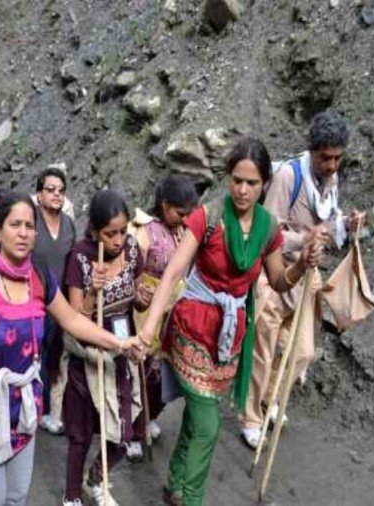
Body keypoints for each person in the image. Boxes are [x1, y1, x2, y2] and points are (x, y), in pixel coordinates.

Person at [137, 137, 324, 506]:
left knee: (196, 416)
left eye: (252, 183)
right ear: (227, 178)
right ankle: (190, 499)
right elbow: (175, 270)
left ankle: (175, 481)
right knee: (208, 423)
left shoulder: (268, 228)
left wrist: (301, 263)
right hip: (192, 327)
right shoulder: (208, 217)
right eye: (236, 180)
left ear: (264, 184)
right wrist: (149, 326)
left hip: (229, 337)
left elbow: (279, 279)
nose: (242, 189)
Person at [0, 191, 143, 506]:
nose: (23, 233)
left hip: (24, 405)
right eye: (15, 224)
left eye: (29, 226)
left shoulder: (39, 278)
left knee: (17, 496)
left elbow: (73, 321)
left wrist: (120, 343)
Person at [241, 111, 362, 448]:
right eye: (326, 158)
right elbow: (270, 229)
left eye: (338, 158)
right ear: (312, 150)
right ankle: (251, 419)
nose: (333, 165)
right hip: (276, 273)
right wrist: (307, 238)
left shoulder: (331, 180)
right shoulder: (288, 177)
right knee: (263, 350)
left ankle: (270, 400)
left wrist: (346, 225)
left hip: (307, 276)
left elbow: (328, 223)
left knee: (302, 352)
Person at [61, 189, 149, 506]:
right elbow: (74, 319)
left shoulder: (133, 251)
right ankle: (71, 496)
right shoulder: (81, 257)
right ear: (95, 231)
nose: (118, 240)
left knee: (124, 432)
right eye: (110, 233)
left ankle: (96, 479)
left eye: (123, 231)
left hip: (122, 350)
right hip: (89, 352)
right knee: (81, 433)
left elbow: (135, 299)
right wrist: (92, 292)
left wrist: (141, 300)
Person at [125, 174, 198, 461]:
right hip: (144, 313)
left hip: (172, 313)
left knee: (161, 375)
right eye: (180, 213)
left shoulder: (182, 231)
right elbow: (127, 271)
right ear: (164, 204)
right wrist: (136, 291)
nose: (184, 219)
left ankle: (149, 416)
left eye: (187, 214)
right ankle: (130, 431)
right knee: (138, 374)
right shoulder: (143, 232)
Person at [31, 168, 77, 435]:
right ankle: (31, 406)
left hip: (60, 303)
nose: (56, 194)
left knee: (55, 356)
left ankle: (50, 409)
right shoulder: (31, 223)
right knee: (34, 355)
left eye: (60, 190)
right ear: (39, 194)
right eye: (50, 189)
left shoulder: (69, 225)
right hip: (33, 302)